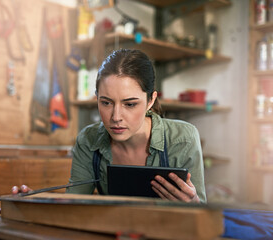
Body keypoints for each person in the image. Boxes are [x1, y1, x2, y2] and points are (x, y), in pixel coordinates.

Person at [13, 49, 206, 203]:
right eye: (106, 102)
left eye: (130, 104)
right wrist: (37, 204)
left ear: (150, 101)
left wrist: (194, 203)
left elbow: (202, 221)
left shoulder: (182, 139)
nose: (115, 117)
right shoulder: (88, 140)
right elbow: (74, 205)